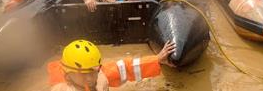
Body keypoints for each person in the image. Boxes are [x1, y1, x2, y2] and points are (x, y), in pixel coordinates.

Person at [48, 39, 176, 91]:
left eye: (93, 72)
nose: (90, 78)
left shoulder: (99, 76)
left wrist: (157, 59)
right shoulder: (61, 88)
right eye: (83, 74)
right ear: (68, 76)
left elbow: (125, 67)